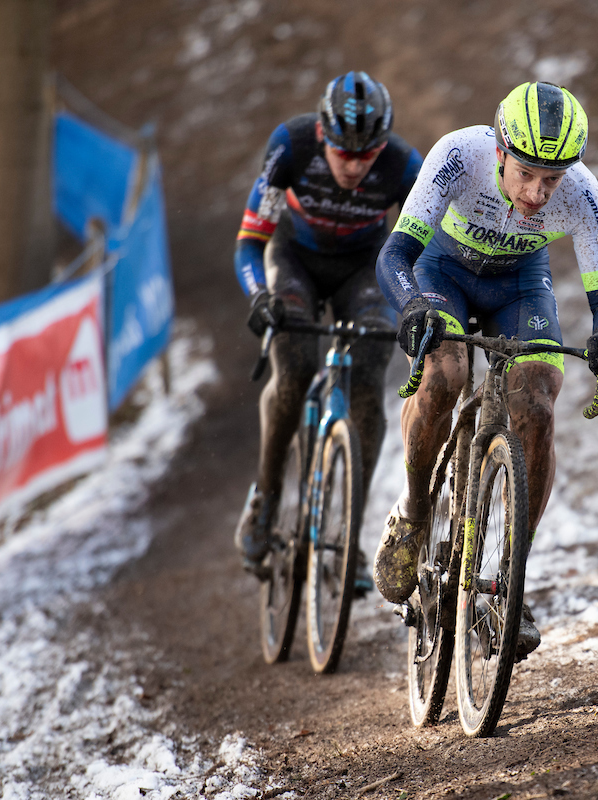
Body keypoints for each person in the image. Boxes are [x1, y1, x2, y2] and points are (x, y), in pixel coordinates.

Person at [372, 82, 598, 658]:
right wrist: (413, 304)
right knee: (445, 374)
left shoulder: (584, 195)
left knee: (537, 400)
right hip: (445, 274)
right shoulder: (457, 156)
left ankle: (512, 577)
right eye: (526, 175)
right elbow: (395, 256)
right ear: (499, 153)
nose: (538, 194)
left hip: (519, 285)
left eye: (552, 180)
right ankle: (415, 514)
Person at [233, 71, 424, 594]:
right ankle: (267, 498)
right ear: (323, 135)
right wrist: (258, 296)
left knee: (367, 379)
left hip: (365, 271)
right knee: (293, 372)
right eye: (344, 153)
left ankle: (351, 539)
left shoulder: (405, 166)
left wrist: (418, 305)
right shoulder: (290, 145)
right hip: (294, 262)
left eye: (367, 155)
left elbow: (421, 254)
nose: (356, 165)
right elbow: (251, 241)